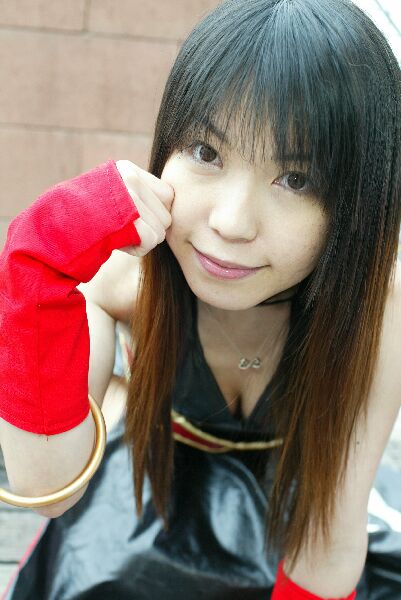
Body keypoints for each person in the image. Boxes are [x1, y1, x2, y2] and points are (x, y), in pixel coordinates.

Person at [1, 0, 401, 598]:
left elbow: (330, 531)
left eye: (296, 179)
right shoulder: (126, 282)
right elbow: (46, 487)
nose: (231, 222)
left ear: (358, 202)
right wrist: (38, 263)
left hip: (291, 511)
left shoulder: (378, 314)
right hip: (150, 504)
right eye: (207, 153)